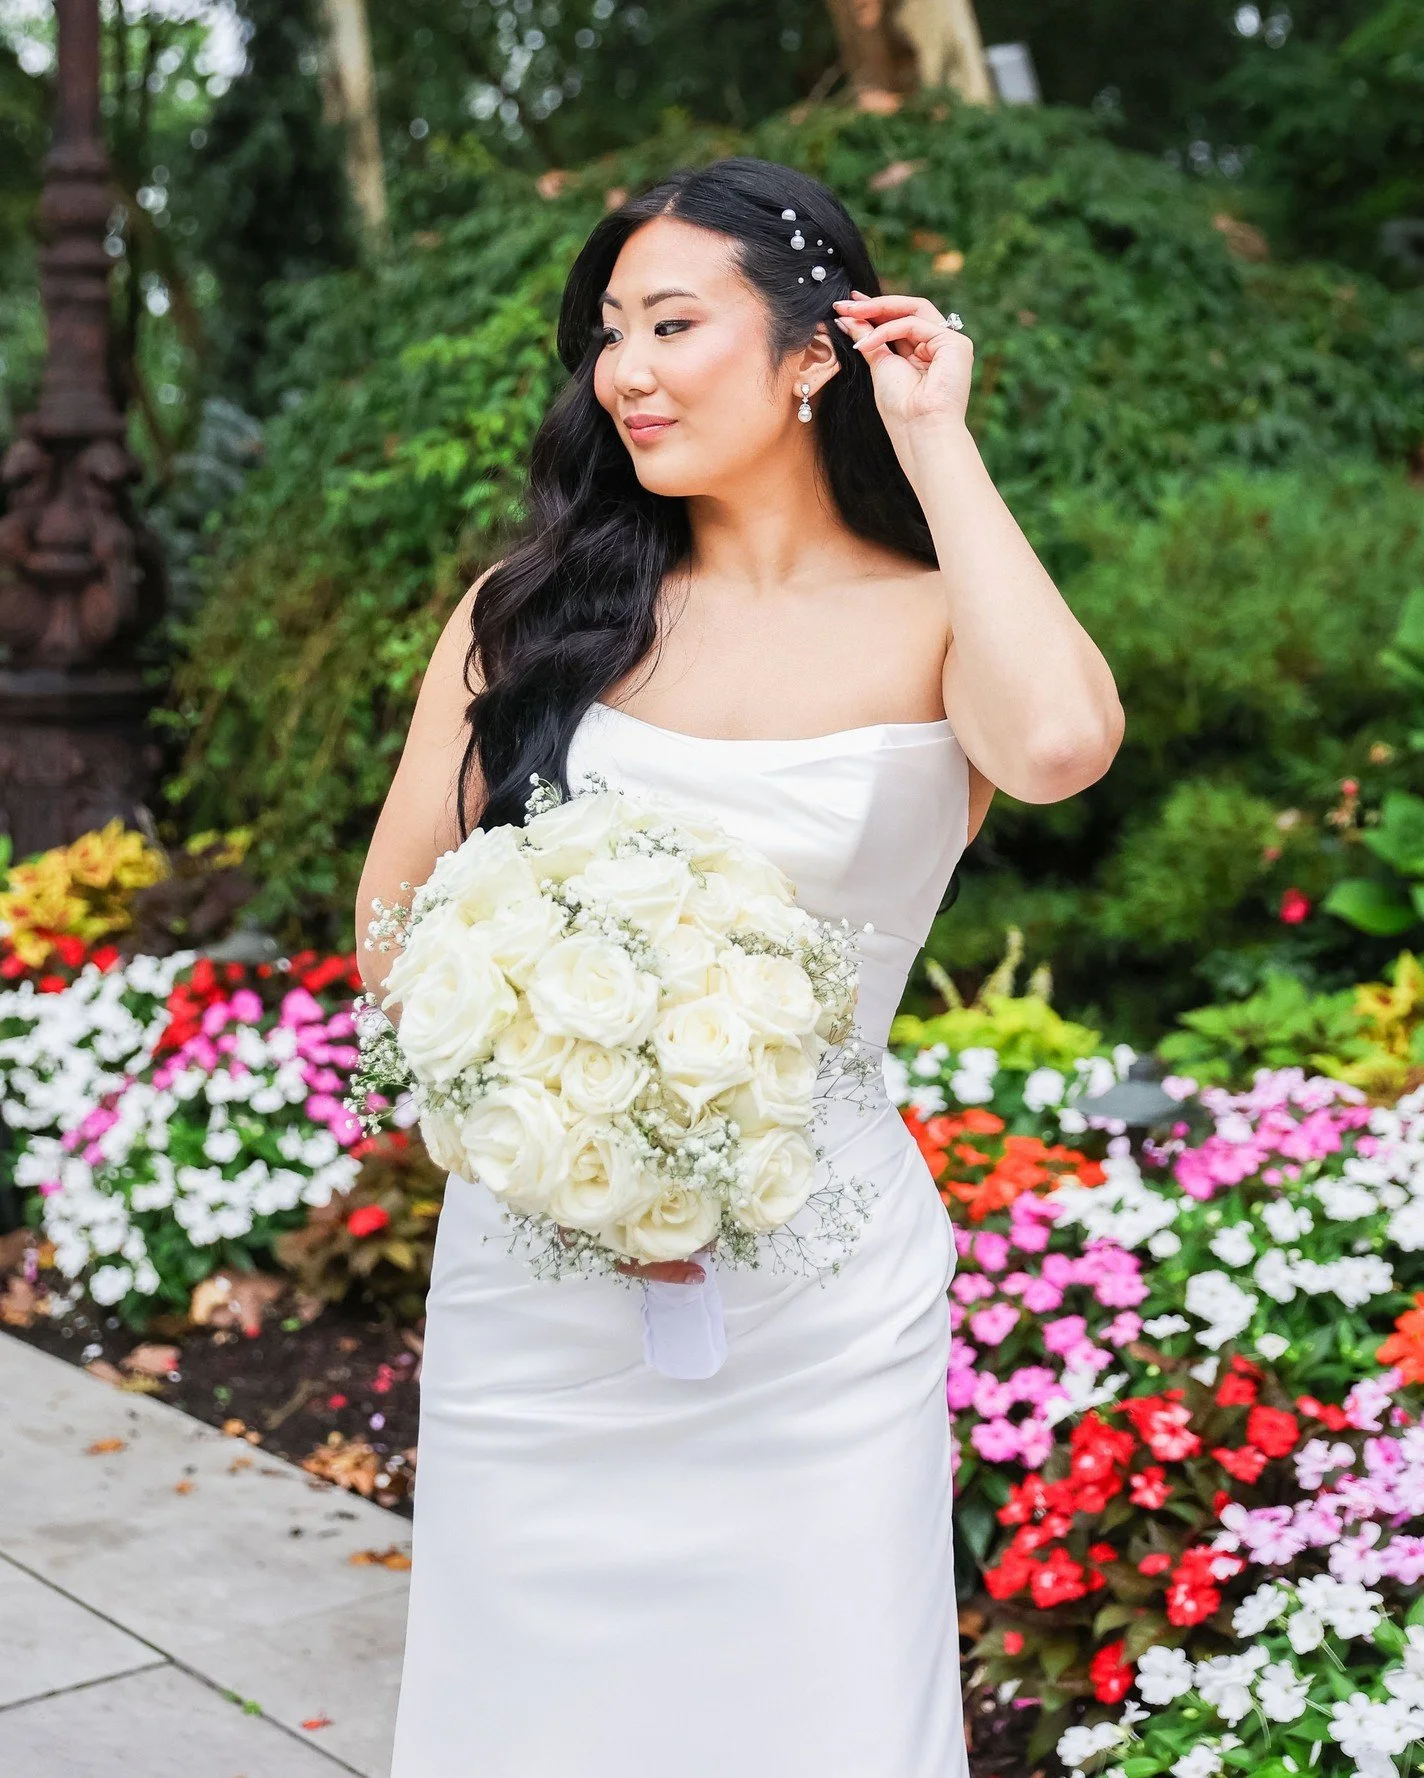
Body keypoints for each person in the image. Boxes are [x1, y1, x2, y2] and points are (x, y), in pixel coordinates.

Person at [359, 155, 1123, 1778]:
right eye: (608, 331)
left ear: (813, 353)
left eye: (672, 322)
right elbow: (396, 920)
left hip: (819, 1305)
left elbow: (1058, 742)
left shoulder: (935, 622)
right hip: (543, 1292)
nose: (624, 368)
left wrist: (940, 439)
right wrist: (551, 1102)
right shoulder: (530, 615)